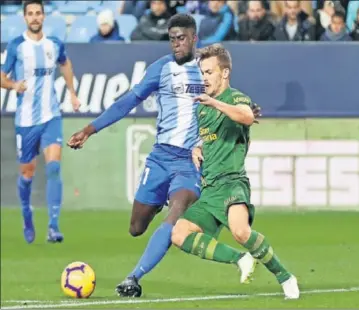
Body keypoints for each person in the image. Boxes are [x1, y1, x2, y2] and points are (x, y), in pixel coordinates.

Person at [67, 14, 204, 298]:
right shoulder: (161, 69)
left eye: (182, 38)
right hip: (160, 158)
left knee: (175, 217)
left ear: (194, 38)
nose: (177, 44)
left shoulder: (207, 69)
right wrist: (90, 129)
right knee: (136, 227)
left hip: (189, 164)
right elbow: (128, 101)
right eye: (172, 39)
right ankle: (157, 204)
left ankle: (134, 277)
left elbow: (229, 98)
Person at [171, 44, 300, 300]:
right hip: (210, 189)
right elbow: (209, 139)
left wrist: (216, 103)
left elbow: (246, 116)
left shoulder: (236, 98)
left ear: (225, 73)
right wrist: (197, 149)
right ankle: (240, 259)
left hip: (232, 182)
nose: (204, 78)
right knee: (179, 233)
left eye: (209, 72)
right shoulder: (203, 108)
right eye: (202, 73)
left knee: (240, 231)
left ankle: (286, 277)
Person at [0, 0, 80, 244]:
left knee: (54, 167)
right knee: (27, 173)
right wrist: (14, 85)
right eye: (30, 14)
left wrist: (72, 92)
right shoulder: (17, 46)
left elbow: (65, 64)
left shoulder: (54, 44)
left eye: (38, 13)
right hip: (26, 121)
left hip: (51, 116)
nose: (35, 17)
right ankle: (27, 213)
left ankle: (53, 227)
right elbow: (2, 76)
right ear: (25, 18)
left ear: (44, 17)